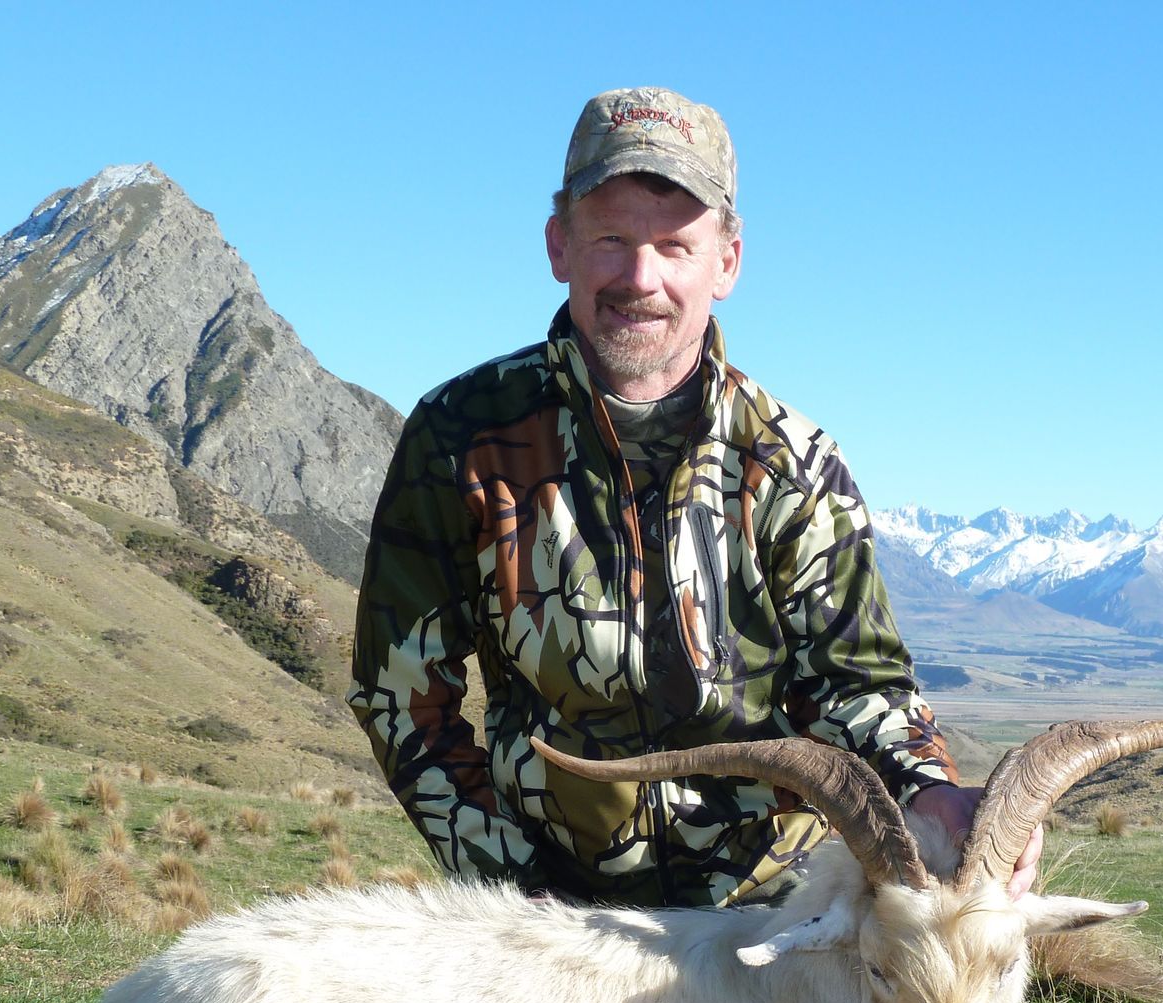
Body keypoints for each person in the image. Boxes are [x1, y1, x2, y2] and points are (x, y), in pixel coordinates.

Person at [349, 86, 1038, 907]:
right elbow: (401, 697)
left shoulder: (795, 464)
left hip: (774, 916)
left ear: (727, 262)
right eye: (610, 238)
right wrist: (515, 895)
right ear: (557, 245)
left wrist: (931, 793)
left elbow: (857, 687)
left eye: (676, 245)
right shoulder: (458, 436)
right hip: (555, 917)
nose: (641, 278)